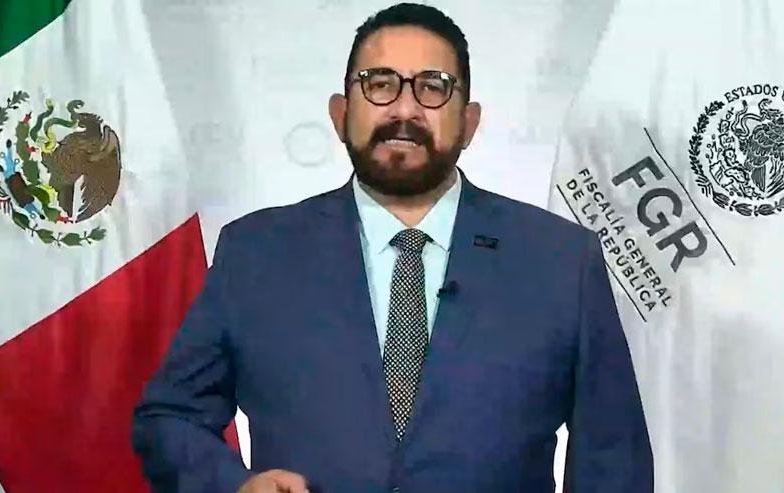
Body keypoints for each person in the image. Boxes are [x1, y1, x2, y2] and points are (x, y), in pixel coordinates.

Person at [131, 3, 654, 492]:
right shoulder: (256, 254)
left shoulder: (561, 261)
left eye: (433, 87)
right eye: (379, 84)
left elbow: (614, 459)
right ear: (340, 114)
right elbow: (171, 417)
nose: (404, 109)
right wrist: (233, 485)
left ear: (469, 123)